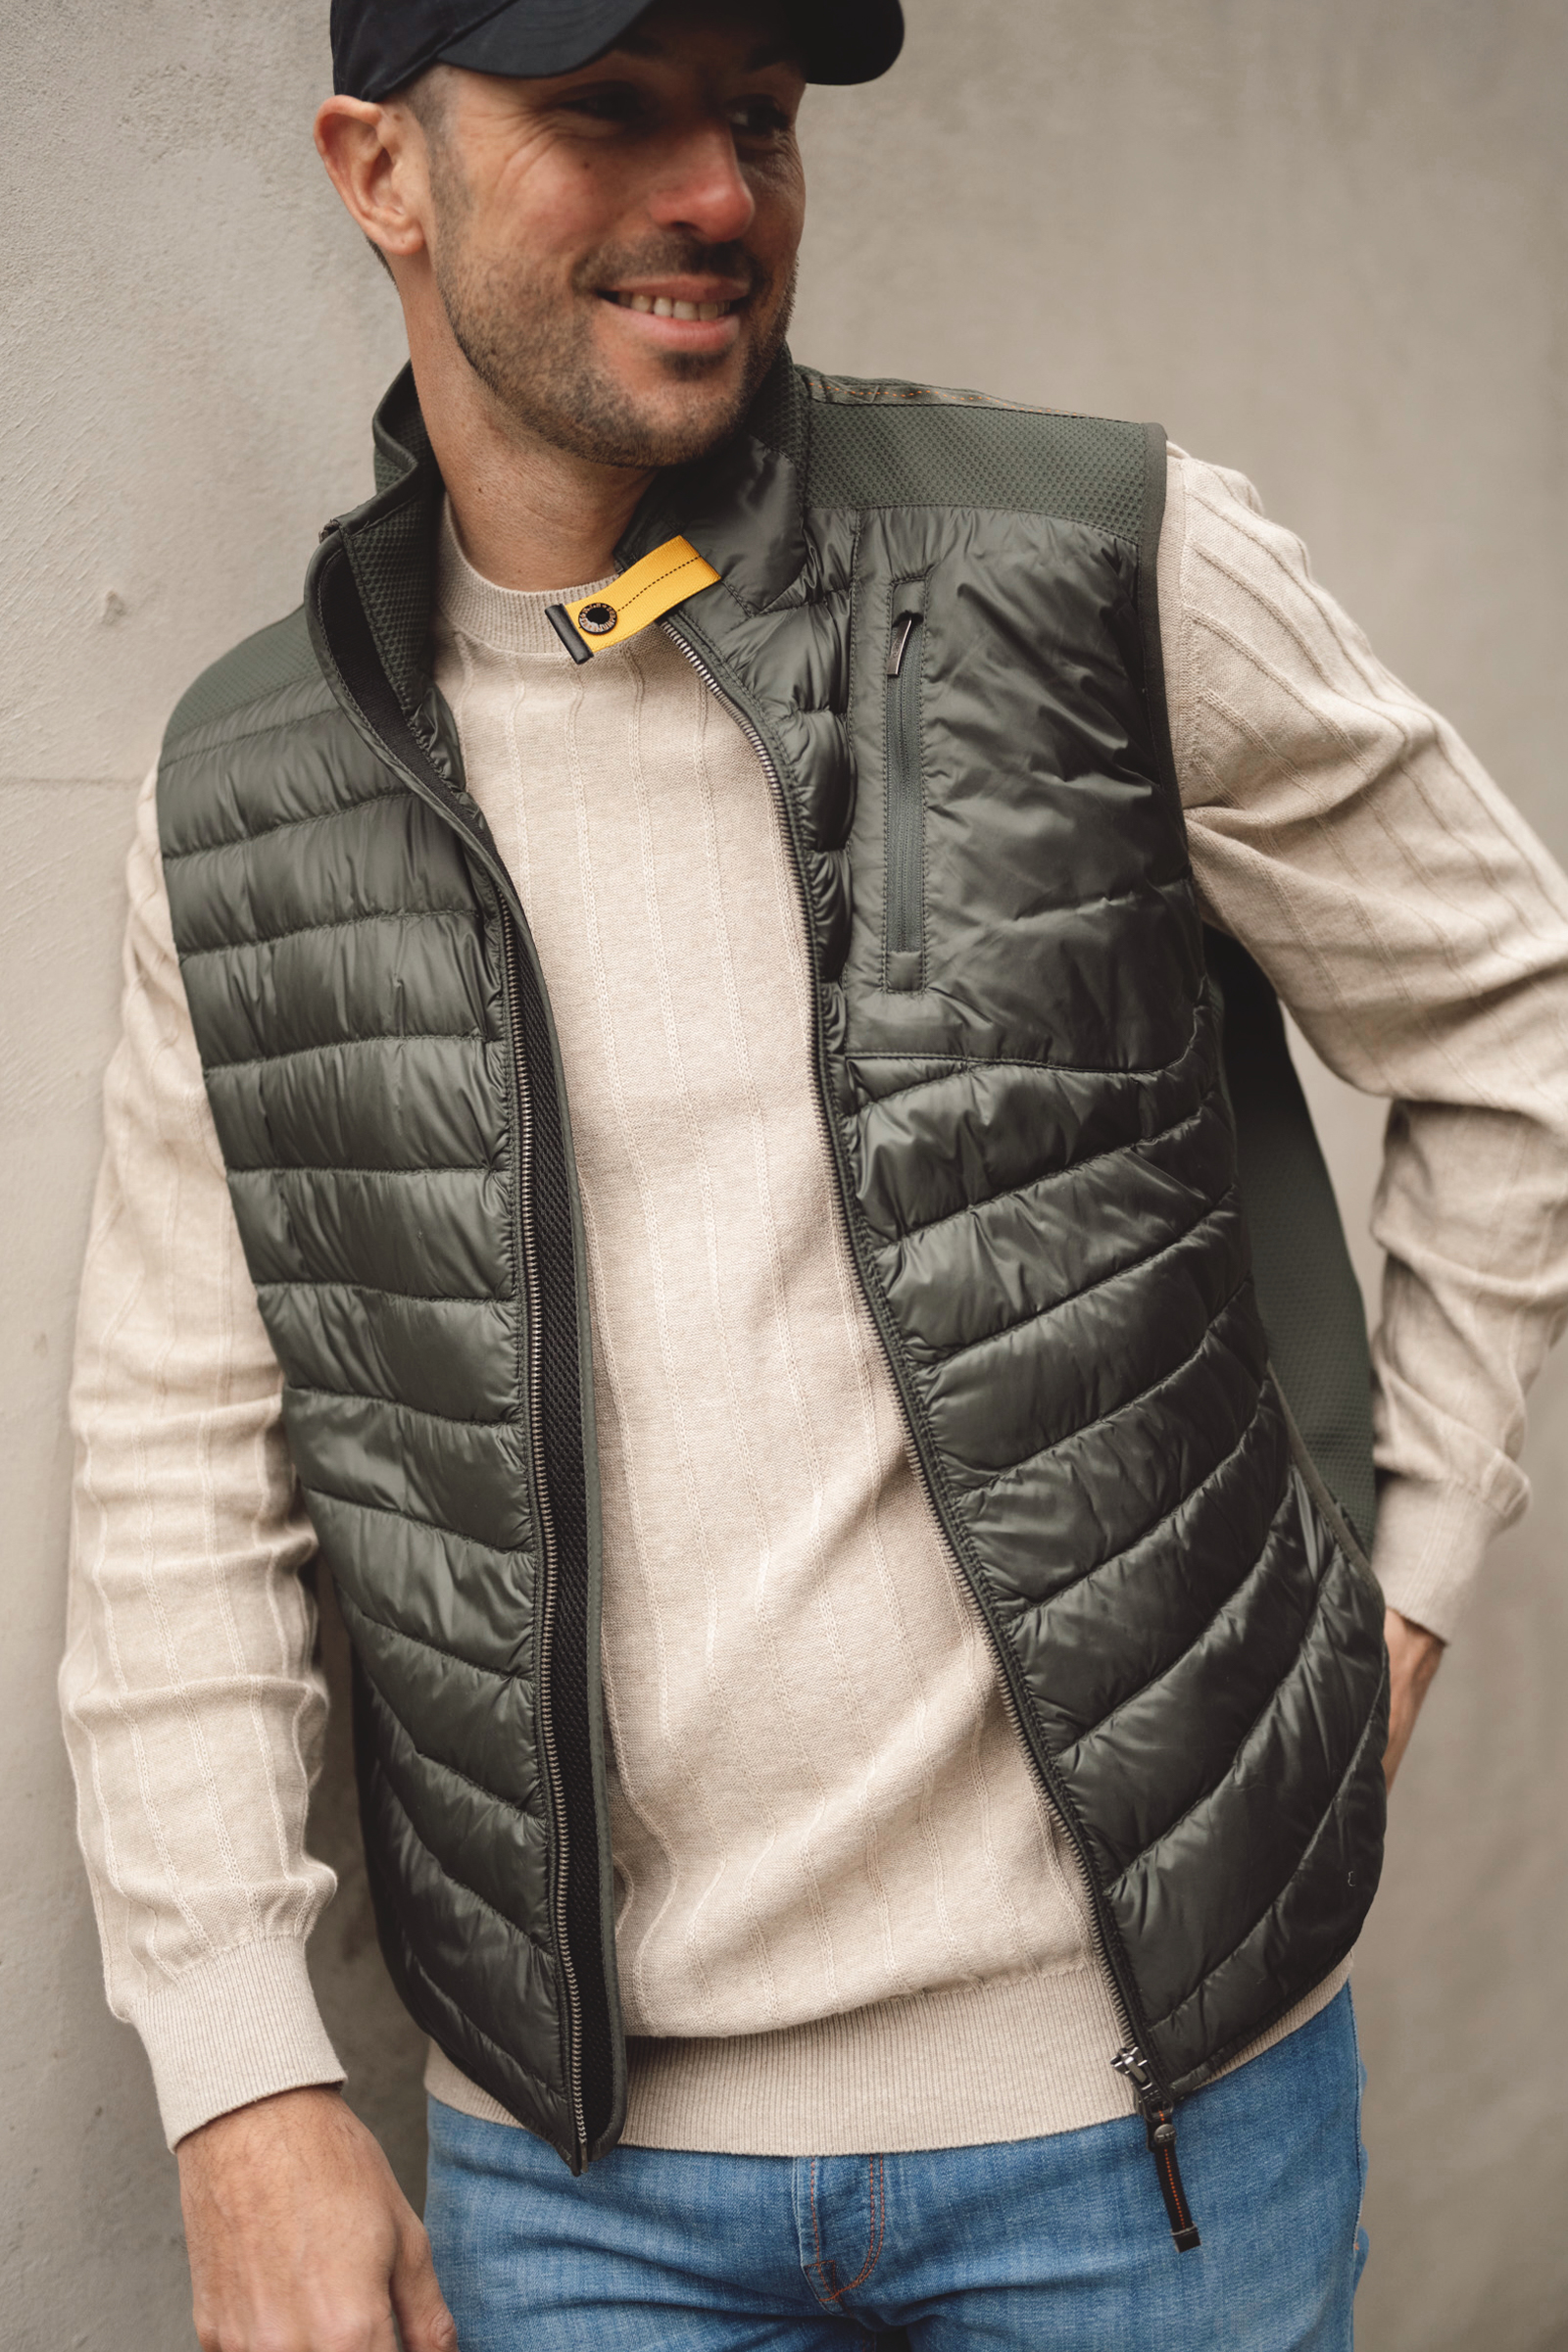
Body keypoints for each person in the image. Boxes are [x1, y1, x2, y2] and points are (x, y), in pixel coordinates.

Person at [58, 1, 1568, 2345]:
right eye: (607, 112)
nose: (714, 194)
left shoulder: (1082, 563)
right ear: (378, 171)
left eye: (754, 117)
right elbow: (181, 1453)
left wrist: (1405, 1568)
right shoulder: (250, 794)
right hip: (578, 2194)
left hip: (1148, 2144)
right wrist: (241, 2074)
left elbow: (1505, 1011)